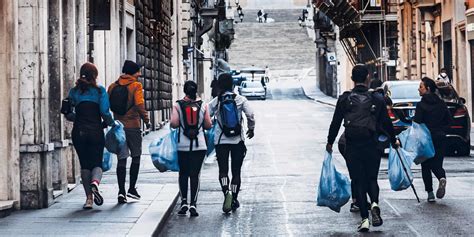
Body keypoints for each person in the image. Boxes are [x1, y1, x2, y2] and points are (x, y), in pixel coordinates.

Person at [326, 64, 398, 232]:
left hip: (352, 144)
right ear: (367, 78)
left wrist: (330, 142)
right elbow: (386, 123)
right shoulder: (377, 98)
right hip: (371, 144)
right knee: (372, 178)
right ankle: (374, 203)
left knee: (358, 180)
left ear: (352, 78)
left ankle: (365, 219)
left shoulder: (345, 98)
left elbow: (336, 122)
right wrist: (394, 140)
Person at [66, 62, 115, 209]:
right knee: (97, 162)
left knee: (85, 164)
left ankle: (89, 199)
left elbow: (68, 114)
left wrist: (79, 118)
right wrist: (111, 123)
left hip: (79, 132)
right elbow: (105, 112)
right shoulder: (99, 91)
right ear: (95, 75)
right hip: (95, 131)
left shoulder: (74, 92)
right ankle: (95, 183)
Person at [209, 73, 255, 213]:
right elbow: (251, 115)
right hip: (237, 141)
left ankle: (226, 193)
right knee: (236, 172)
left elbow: (204, 116)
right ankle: (234, 199)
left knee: (223, 170)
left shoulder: (216, 101)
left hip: (220, 141)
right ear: (232, 84)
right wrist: (251, 129)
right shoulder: (240, 99)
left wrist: (210, 124)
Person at [108, 60, 151, 204]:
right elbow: (139, 104)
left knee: (122, 158)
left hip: (118, 126)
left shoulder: (113, 86)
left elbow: (107, 105)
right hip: (133, 126)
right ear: (133, 72)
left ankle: (121, 192)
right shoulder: (136, 85)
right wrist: (146, 120)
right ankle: (132, 188)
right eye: (138, 71)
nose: (139, 74)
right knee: (136, 156)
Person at [170, 80, 212, 217]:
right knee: (195, 174)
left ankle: (183, 202)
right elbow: (208, 125)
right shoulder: (203, 105)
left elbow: (174, 124)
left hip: (182, 145)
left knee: (183, 173)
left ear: (185, 91)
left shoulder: (177, 105)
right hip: (199, 145)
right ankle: (193, 203)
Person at [413, 77, 451, 202]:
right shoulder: (441, 103)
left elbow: (417, 122)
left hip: (426, 139)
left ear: (427, 89)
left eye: (421, 87)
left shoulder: (421, 105)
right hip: (440, 137)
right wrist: (442, 130)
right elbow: (448, 120)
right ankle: (441, 177)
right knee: (437, 163)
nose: (418, 89)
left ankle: (430, 194)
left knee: (426, 165)